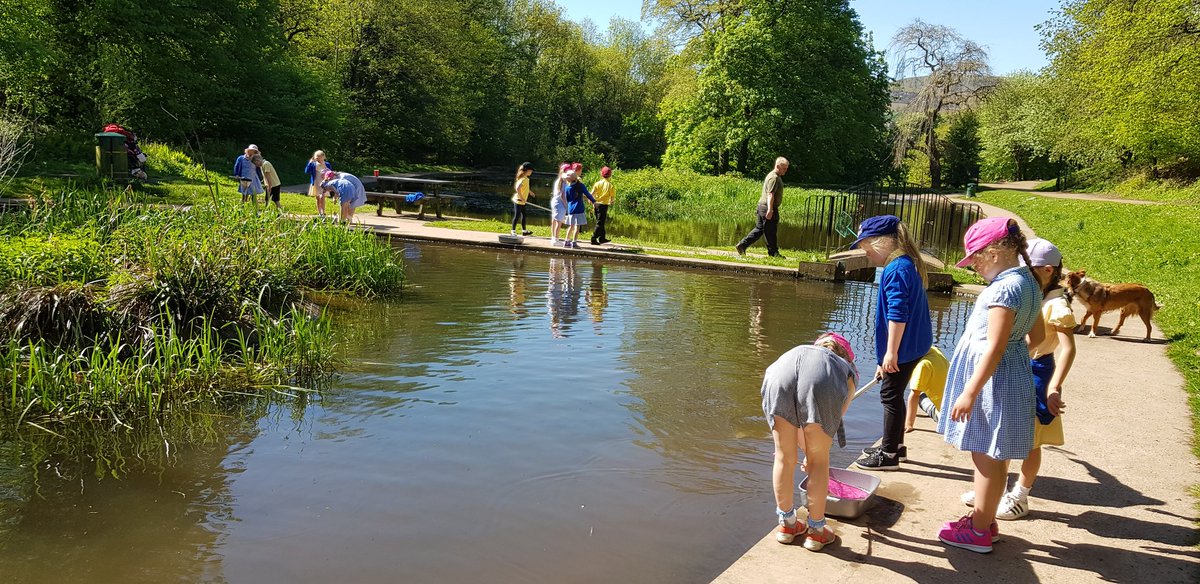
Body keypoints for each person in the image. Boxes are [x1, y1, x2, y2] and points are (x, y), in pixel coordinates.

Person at [936, 217, 1045, 554]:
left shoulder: (1003, 289)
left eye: (976, 260)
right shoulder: (1029, 281)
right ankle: (986, 521)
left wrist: (970, 391)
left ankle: (979, 531)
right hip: (1008, 374)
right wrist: (1013, 357)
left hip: (990, 384)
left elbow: (994, 347)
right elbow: (1038, 336)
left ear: (994, 252)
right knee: (996, 455)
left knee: (984, 456)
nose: (974, 267)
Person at [961, 238, 1076, 520]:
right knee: (1005, 433)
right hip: (1020, 364)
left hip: (1039, 373)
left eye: (1029, 268)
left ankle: (1020, 495)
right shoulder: (1031, 291)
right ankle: (993, 491)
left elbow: (1067, 349)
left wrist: (1054, 386)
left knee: (1030, 440)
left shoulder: (1056, 304)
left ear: (1048, 270)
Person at [849, 215, 933, 471]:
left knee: (890, 395)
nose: (865, 254)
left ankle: (888, 455)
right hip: (913, 345)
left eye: (866, 247)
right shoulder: (904, 264)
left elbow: (898, 313)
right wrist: (882, 359)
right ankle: (896, 446)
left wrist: (891, 353)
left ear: (883, 242)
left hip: (904, 347)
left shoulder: (896, 269)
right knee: (894, 393)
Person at [761, 333, 858, 551]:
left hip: (778, 374)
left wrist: (805, 450)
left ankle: (787, 525)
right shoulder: (846, 369)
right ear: (847, 357)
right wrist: (811, 454)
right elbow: (831, 424)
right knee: (819, 461)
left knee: (783, 457)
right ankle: (816, 531)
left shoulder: (802, 351)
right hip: (820, 382)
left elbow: (799, 422)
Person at [736, 157, 789, 257]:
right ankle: (773, 253)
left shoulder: (773, 176)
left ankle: (742, 245)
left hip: (762, 206)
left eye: (786, 168)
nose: (786, 170)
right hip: (767, 207)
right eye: (784, 168)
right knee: (771, 231)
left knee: (760, 229)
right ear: (778, 166)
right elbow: (770, 194)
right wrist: (770, 209)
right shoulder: (774, 178)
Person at [903, 346, 950, 432]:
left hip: (944, 417)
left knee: (920, 395)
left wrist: (908, 424)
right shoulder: (936, 351)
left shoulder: (922, 366)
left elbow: (914, 396)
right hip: (954, 406)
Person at [560, 165, 595, 248]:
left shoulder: (567, 188)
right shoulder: (581, 186)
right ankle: (574, 242)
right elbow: (587, 194)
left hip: (571, 209)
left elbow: (568, 199)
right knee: (577, 226)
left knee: (571, 226)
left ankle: (566, 241)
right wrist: (594, 201)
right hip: (579, 209)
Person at [590, 166, 615, 245]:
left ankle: (602, 238)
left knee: (600, 222)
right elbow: (612, 198)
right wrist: (611, 202)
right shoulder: (610, 185)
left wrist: (591, 201)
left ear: (601, 174)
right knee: (600, 223)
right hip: (603, 205)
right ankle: (593, 238)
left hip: (596, 205)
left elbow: (591, 194)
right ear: (610, 175)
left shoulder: (597, 183)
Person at [305, 150, 334, 219]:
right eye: (316, 157)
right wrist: (309, 163)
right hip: (316, 182)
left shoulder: (327, 164)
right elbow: (306, 171)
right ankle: (319, 213)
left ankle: (323, 212)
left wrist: (326, 176)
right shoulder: (313, 164)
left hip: (324, 182)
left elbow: (331, 173)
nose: (317, 159)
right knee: (318, 198)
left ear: (323, 157)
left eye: (319, 157)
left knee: (322, 196)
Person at [511, 162, 534, 236]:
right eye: (531, 170)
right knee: (517, 216)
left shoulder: (525, 178)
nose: (531, 172)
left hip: (522, 201)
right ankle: (513, 231)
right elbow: (517, 188)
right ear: (527, 170)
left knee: (524, 215)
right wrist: (522, 198)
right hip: (518, 200)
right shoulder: (523, 179)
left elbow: (525, 187)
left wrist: (530, 192)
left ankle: (524, 231)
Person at [549, 163, 569, 246]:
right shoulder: (563, 183)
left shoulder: (558, 181)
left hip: (555, 202)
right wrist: (566, 206)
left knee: (554, 220)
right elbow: (562, 196)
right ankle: (556, 240)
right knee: (559, 222)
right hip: (560, 203)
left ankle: (553, 238)